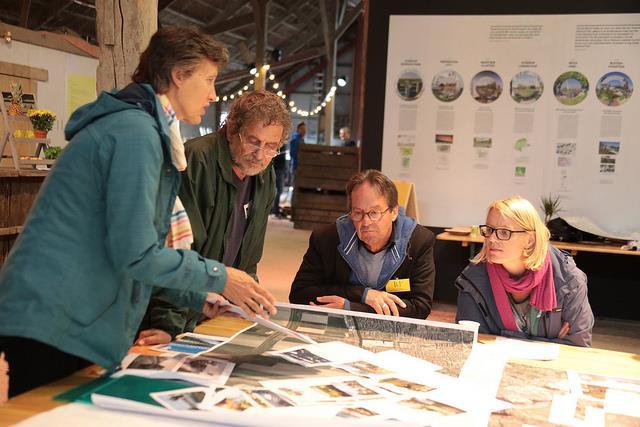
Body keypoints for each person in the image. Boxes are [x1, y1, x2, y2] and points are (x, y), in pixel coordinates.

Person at [0, 27, 277, 398]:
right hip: (56, 313)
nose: (213, 94)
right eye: (208, 80)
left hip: (72, 311)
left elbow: (133, 247)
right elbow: (136, 253)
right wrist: (219, 276)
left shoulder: (146, 130)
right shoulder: (135, 133)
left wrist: (201, 300)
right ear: (178, 75)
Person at [138, 90, 291, 345]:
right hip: (178, 311)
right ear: (232, 131)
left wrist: (246, 306)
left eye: (271, 147)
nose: (260, 154)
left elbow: (249, 257)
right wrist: (167, 324)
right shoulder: (195, 161)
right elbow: (176, 250)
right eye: (253, 141)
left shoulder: (265, 176)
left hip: (216, 312)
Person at [289, 170, 435, 318]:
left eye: (374, 213)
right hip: (339, 329)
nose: (366, 222)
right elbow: (299, 294)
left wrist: (351, 308)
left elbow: (420, 307)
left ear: (394, 212)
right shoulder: (327, 239)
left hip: (394, 331)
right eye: (358, 213)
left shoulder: (418, 242)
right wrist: (363, 294)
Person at [455, 196, 594, 347]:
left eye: (503, 232)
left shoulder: (567, 278)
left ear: (530, 240)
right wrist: (550, 342)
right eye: (489, 230)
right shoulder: (473, 279)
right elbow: (471, 342)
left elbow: (578, 345)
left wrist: (501, 337)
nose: (492, 239)